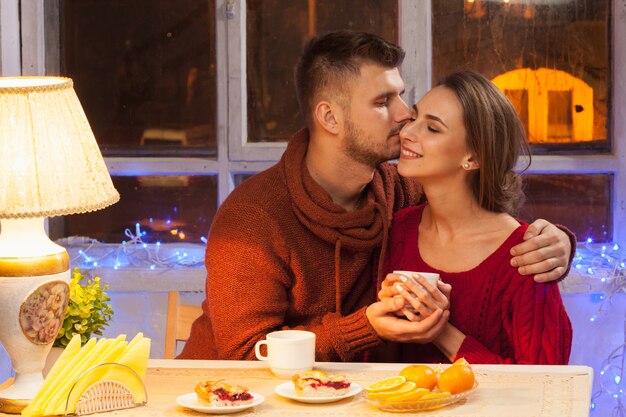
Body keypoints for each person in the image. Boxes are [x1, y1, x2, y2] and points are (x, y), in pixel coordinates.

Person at [179, 30, 574, 362]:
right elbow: (247, 357)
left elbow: (470, 206)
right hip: (227, 397)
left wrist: (556, 241)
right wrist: (363, 327)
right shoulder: (252, 219)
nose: (404, 115)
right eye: (383, 102)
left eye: (403, 97)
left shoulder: (401, 191)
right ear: (330, 117)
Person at [376, 71, 572, 364]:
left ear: (474, 157)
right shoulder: (399, 229)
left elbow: (547, 385)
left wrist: (440, 331)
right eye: (414, 118)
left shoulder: (526, 256)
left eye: (432, 128)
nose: (407, 133)